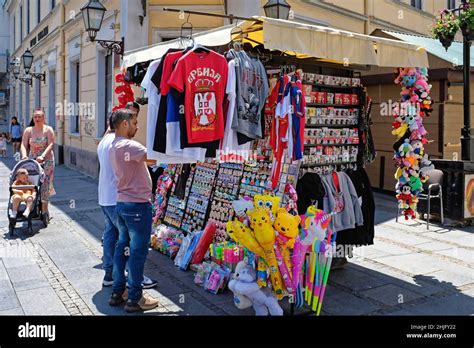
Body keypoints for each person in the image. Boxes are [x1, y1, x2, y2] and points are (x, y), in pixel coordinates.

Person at [98, 111, 157, 289]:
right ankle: (134, 284)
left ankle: (113, 279)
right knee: (134, 246)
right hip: (126, 199)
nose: (137, 126)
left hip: (110, 197)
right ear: (123, 123)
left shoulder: (106, 141)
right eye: (134, 122)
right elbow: (153, 159)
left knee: (116, 240)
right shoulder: (127, 144)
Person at [20, 109, 55, 222]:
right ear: (33, 118)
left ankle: (44, 210)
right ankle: (31, 205)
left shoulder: (48, 130)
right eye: (35, 117)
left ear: (44, 118)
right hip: (32, 159)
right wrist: (24, 156)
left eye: (40, 116)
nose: (37, 119)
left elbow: (50, 145)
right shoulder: (28, 130)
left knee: (45, 183)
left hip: (47, 160)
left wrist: (43, 156)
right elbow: (23, 145)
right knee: (32, 182)